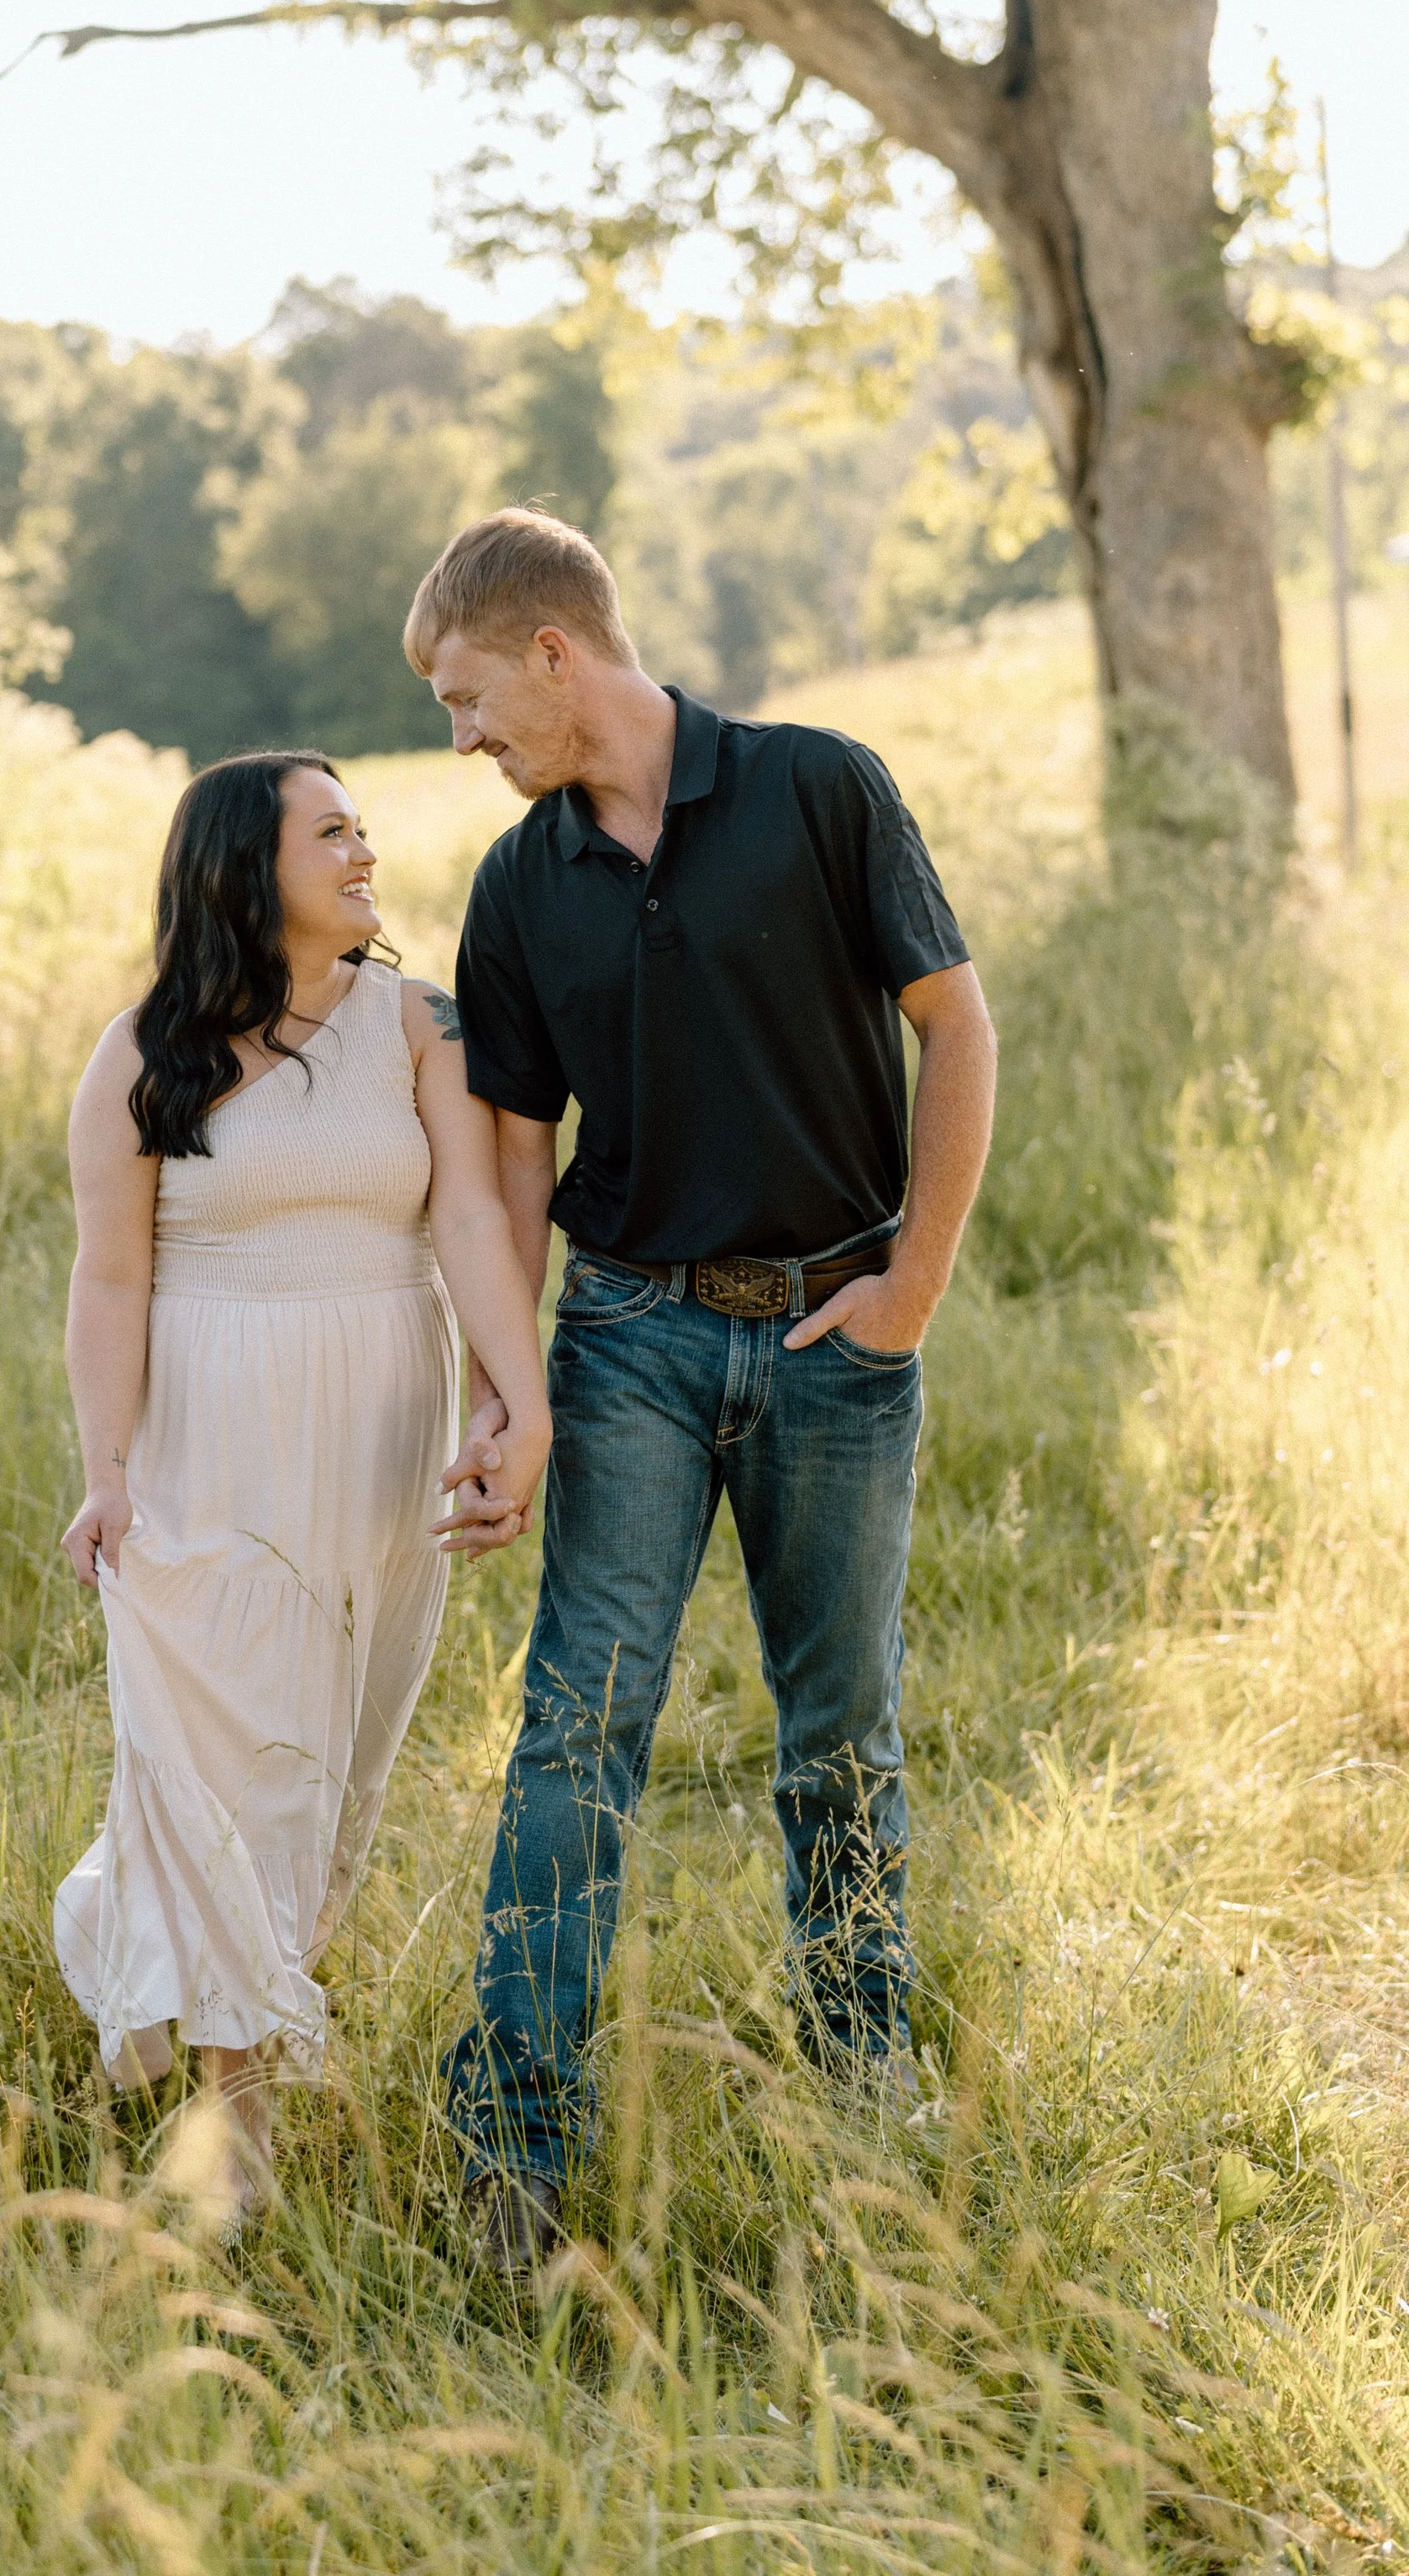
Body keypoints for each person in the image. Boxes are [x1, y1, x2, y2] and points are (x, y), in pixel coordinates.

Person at [407, 510, 998, 2272]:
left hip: (838, 1334)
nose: (462, 740)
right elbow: (513, 1170)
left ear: (554, 654)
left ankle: (867, 2089)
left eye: (465, 697)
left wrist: (912, 1290)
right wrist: (512, 1399)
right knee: (577, 1733)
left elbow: (953, 1030)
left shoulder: (821, 789)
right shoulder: (519, 884)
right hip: (632, 1340)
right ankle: (515, 2151)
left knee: (842, 1735)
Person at [54, 749, 552, 2223]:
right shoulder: (141, 1053)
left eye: (360, 827)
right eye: (328, 832)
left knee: (334, 1769)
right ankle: (237, 2133)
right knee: (227, 1765)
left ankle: (248, 2019)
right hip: (212, 1437)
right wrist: (106, 1472)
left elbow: (469, 1212)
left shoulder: (419, 1021)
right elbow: (110, 1276)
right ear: (243, 868)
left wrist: (515, 1398)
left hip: (379, 1440)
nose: (363, 850)